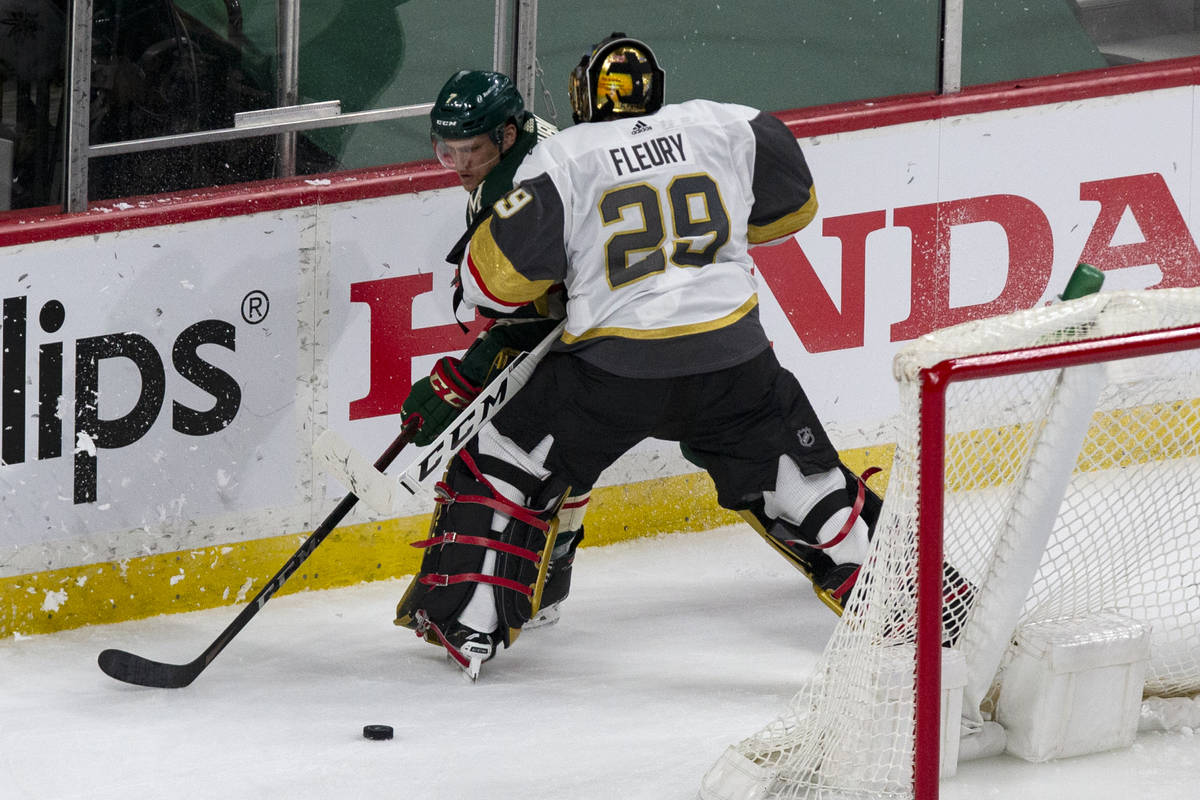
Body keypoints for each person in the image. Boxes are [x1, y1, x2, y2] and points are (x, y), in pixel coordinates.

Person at [400, 32, 961, 678]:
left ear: (584, 96)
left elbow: (491, 286)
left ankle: (469, 621)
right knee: (808, 485)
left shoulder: (564, 157)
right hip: (732, 360)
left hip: (613, 369)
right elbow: (795, 206)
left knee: (504, 462)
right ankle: (931, 611)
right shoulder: (725, 123)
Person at [395, 71, 589, 647]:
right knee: (565, 454)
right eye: (446, 150)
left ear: (506, 136)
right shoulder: (532, 144)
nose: (458, 164)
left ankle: (501, 595)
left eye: (471, 150)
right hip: (594, 314)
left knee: (518, 452)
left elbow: (545, 300)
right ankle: (547, 583)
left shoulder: (519, 185)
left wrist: (478, 367)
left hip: (605, 323)